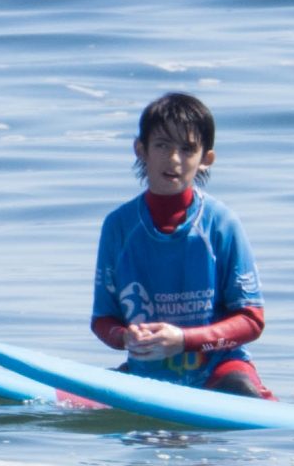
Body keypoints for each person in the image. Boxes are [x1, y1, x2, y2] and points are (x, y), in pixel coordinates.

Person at [91, 91, 272, 397]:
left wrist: (184, 339)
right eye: (162, 145)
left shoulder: (221, 223)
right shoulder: (118, 227)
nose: (174, 159)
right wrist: (126, 337)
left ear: (206, 159)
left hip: (220, 372)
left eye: (187, 149)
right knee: (90, 396)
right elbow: (103, 321)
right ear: (141, 149)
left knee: (240, 388)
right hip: (147, 376)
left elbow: (251, 320)